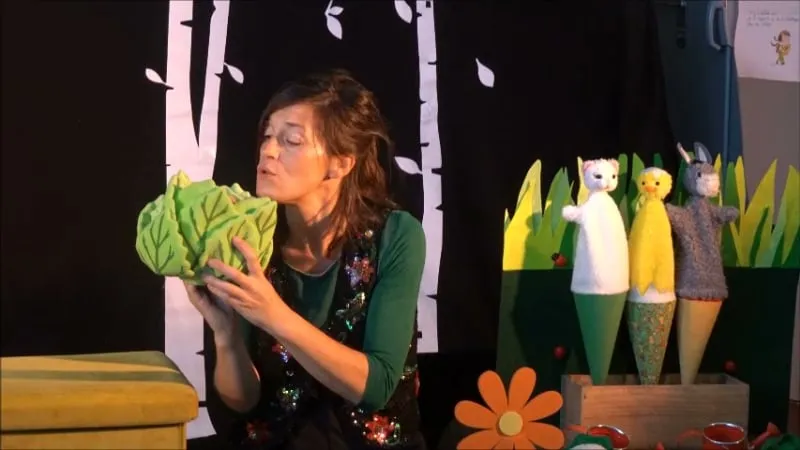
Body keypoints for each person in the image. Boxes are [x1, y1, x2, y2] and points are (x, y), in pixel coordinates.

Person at [184, 69, 427, 449]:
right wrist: (226, 335)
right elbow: (241, 403)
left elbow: (376, 387)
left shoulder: (396, 236)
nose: (268, 150)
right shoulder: (247, 240)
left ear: (340, 163)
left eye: (291, 140)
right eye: (267, 136)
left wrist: (273, 315)